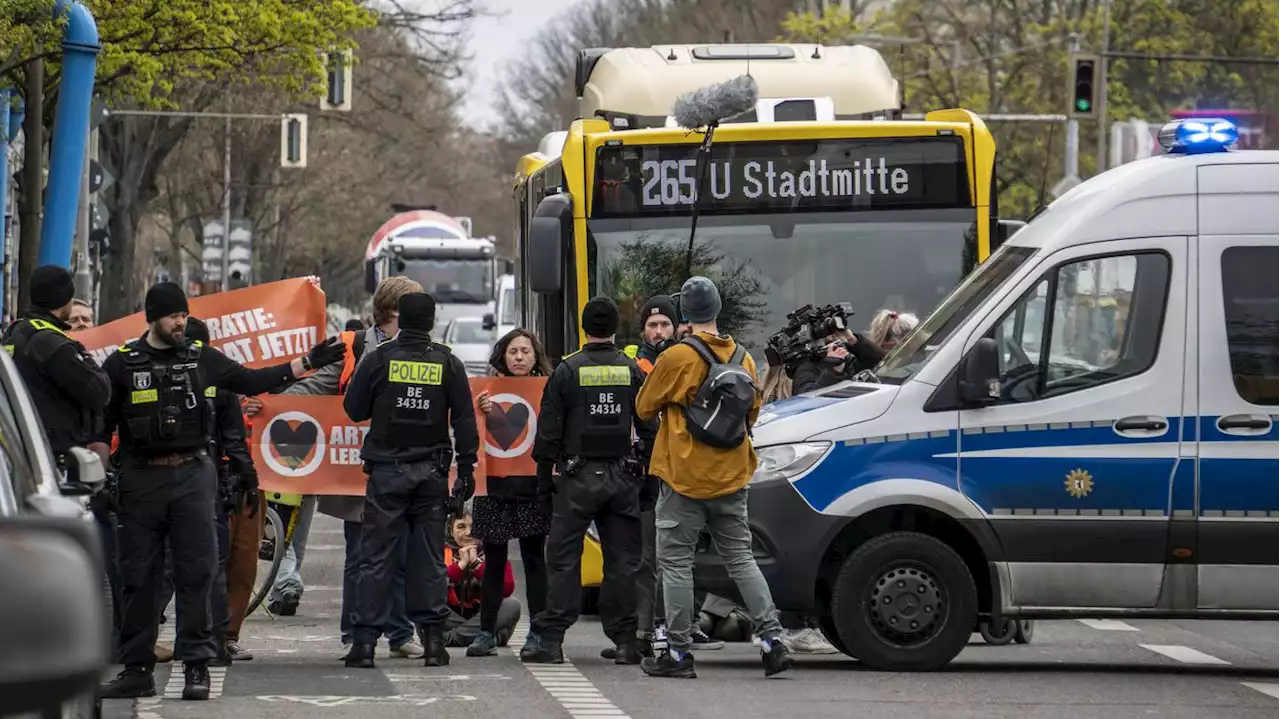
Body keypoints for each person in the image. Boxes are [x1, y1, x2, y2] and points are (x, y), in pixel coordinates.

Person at [99, 282, 345, 701]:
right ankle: (136, 667)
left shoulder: (203, 360)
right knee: (139, 577)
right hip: (140, 480)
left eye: (183, 314)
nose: (181, 322)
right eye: (174, 315)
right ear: (152, 317)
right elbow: (100, 425)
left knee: (198, 572)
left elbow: (254, 380)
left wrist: (306, 362)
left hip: (193, 476)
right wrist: (100, 475)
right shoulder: (122, 364)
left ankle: (197, 665)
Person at [636, 276, 792, 679]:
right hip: (732, 476)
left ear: (684, 315)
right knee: (741, 558)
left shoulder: (677, 358)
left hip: (683, 477)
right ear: (718, 310)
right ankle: (773, 640)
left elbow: (644, 407)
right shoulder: (744, 358)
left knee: (675, 564)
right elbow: (751, 415)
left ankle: (677, 652)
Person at [342, 291, 479, 669]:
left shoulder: (379, 359)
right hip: (431, 474)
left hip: (387, 472)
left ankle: (365, 646)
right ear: (432, 322)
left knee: (376, 558)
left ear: (400, 320)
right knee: (429, 559)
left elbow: (353, 410)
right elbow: (464, 420)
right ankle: (434, 644)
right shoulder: (447, 362)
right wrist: (466, 469)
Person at [520, 297, 656, 666]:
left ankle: (550, 642)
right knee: (623, 561)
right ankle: (627, 642)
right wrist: (647, 474)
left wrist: (543, 482)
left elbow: (549, 432)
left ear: (583, 327)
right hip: (623, 477)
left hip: (577, 479)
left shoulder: (566, 371)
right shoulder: (632, 370)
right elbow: (649, 425)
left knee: (564, 560)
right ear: (615, 328)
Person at [613, 295, 724, 659]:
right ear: (643, 329)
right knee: (651, 557)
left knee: (689, 553)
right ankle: (650, 629)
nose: (659, 331)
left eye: (665, 324)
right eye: (652, 325)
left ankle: (685, 625)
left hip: (688, 468)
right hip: (648, 472)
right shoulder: (636, 363)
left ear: (677, 326)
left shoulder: (690, 358)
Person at [465, 329, 552, 657]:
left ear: (535, 356)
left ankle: (539, 633)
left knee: (534, 560)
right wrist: (481, 410)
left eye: (525, 351)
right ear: (502, 355)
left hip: (531, 487)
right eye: (513, 351)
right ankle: (486, 632)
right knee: (495, 559)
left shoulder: (548, 389)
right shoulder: (485, 391)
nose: (519, 357)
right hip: (494, 486)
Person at [0, 266, 111, 464]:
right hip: (53, 457)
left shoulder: (16, 332)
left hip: (22, 451)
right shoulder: (53, 344)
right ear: (64, 300)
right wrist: (82, 352)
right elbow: (99, 391)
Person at [444, 512, 522, 648]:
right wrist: (460, 566)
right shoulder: (440, 552)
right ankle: (483, 638)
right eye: (461, 527)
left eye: (474, 527)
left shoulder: (494, 552)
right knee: (420, 601)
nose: (468, 532)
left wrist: (476, 565)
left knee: (512, 605)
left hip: (482, 617)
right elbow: (430, 589)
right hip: (449, 617)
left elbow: (507, 589)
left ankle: (449, 639)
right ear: (451, 531)